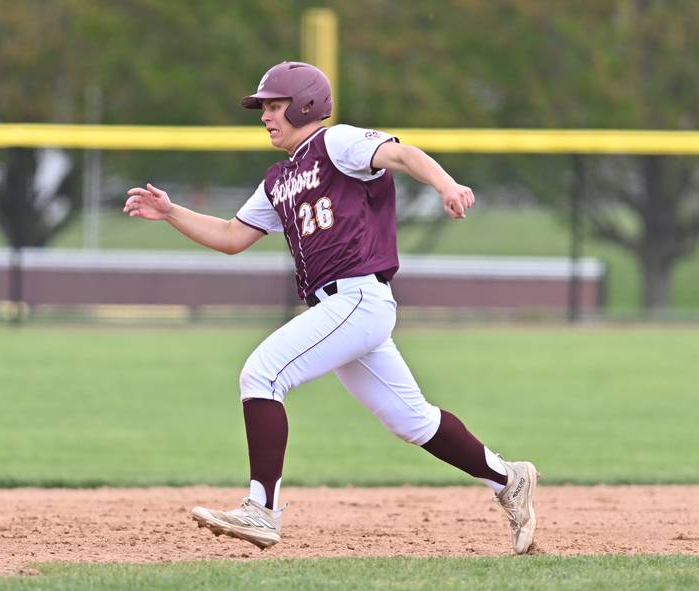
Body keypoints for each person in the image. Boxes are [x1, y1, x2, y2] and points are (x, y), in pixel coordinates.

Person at [123, 61, 538, 554]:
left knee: (262, 375)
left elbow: (401, 155)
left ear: (304, 105)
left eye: (274, 106)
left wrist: (445, 184)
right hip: (343, 309)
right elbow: (233, 237)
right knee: (413, 421)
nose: (265, 116)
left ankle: (263, 509)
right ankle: (508, 479)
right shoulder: (279, 178)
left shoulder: (335, 143)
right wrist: (172, 213)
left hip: (358, 296)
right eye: (264, 108)